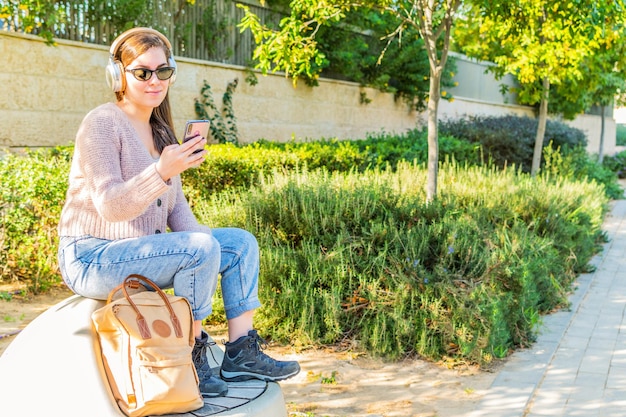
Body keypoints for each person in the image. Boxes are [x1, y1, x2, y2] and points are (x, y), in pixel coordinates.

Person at [56, 27, 300, 398]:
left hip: (135, 253)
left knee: (240, 243)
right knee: (200, 247)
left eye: (163, 71)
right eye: (142, 72)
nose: (155, 81)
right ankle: (192, 353)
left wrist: (213, 249)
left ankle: (240, 352)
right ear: (119, 76)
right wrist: (160, 172)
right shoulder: (102, 123)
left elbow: (183, 222)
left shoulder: (162, 135)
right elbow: (110, 205)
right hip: (91, 256)